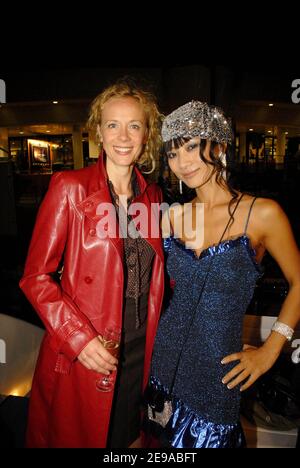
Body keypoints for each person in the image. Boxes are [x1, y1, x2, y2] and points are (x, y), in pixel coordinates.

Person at [144, 101, 300, 448]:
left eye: (191, 147)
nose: (182, 162)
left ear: (220, 147)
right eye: (172, 153)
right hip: (161, 368)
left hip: (218, 379)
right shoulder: (170, 217)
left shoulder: (261, 214)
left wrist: (271, 349)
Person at [20, 78, 165, 448]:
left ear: (146, 133)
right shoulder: (70, 187)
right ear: (98, 132)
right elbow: (35, 277)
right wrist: (78, 339)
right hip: (84, 352)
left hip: (135, 351)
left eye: (134, 125)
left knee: (127, 440)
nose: (124, 135)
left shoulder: (152, 197)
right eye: (113, 124)